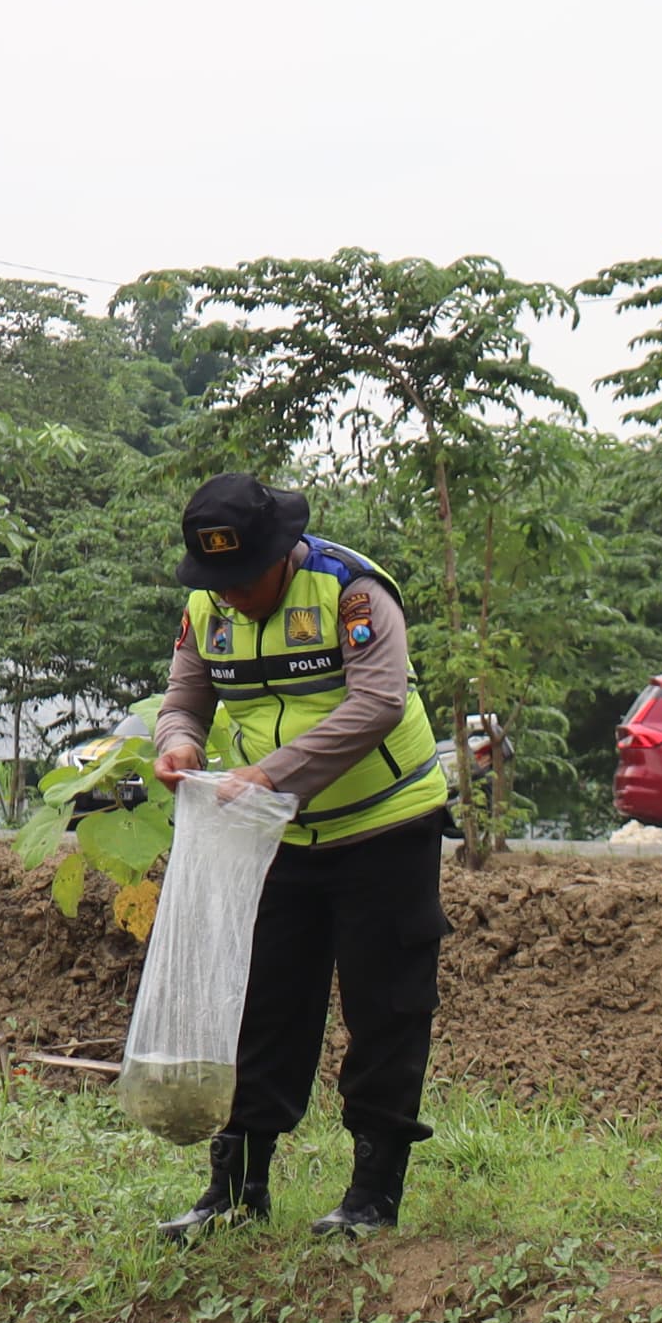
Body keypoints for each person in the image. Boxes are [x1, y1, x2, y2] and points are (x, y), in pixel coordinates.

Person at [151, 473, 455, 1243]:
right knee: (264, 1004)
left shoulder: (351, 593)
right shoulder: (206, 608)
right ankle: (236, 1187)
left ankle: (372, 1194)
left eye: (246, 576)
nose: (235, 594)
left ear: (284, 552)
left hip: (383, 826)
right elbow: (185, 698)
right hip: (277, 834)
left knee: (385, 1006)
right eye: (218, 580)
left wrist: (273, 771)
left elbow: (378, 701)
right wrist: (177, 742)